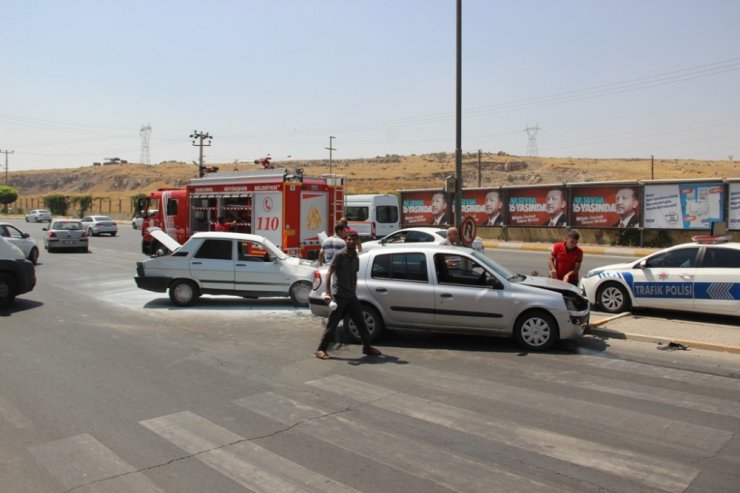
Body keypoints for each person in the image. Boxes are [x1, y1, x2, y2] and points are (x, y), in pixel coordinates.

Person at [315, 231, 382, 360]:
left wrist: (354, 289)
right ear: (346, 240)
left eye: (353, 240)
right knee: (332, 324)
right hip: (339, 295)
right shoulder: (340, 255)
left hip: (351, 295)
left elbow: (354, 275)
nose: (350, 241)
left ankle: (367, 347)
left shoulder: (356, 257)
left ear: (357, 241)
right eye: (349, 239)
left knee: (361, 322)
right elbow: (330, 272)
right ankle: (320, 349)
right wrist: (328, 292)